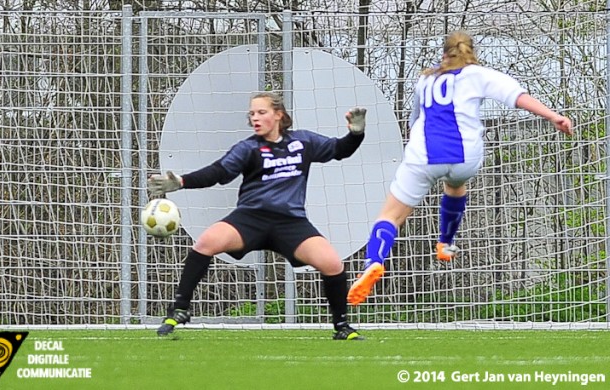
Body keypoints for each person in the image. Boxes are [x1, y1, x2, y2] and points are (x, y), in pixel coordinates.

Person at [347, 30, 573, 306]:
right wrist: (554, 116)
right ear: (471, 53)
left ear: (444, 54)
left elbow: (413, 122)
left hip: (424, 156)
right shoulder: (478, 74)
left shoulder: (426, 79)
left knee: (390, 216)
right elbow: (517, 97)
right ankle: (445, 242)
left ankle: (373, 261)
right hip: (465, 157)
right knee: (455, 184)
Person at [148, 91, 367, 340]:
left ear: (279, 115)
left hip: (290, 222)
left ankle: (341, 327)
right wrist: (183, 182)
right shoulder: (248, 148)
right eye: (252, 113)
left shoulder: (303, 142)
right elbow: (218, 172)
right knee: (206, 242)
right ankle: (178, 310)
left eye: (261, 112)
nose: (255, 118)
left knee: (332, 263)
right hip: (250, 219)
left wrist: (356, 134)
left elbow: (340, 149)